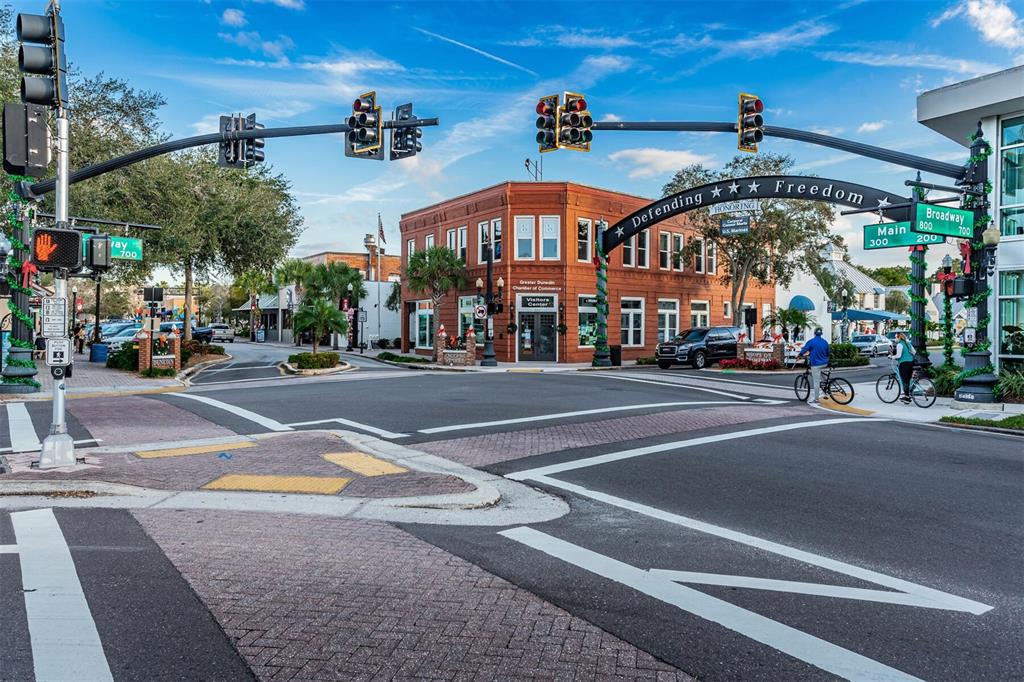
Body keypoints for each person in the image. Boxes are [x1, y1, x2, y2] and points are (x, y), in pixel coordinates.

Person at [797, 327, 830, 402]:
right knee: (823, 377)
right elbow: (828, 353)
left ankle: (816, 399)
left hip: (816, 364)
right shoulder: (825, 342)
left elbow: (805, 349)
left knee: (816, 382)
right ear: (821, 334)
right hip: (825, 363)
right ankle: (826, 391)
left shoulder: (811, 342)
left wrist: (799, 355)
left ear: (814, 333)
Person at [892, 331, 915, 404]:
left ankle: (907, 398)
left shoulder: (899, 344)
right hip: (911, 362)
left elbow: (898, 356)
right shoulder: (908, 343)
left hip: (904, 364)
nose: (895, 339)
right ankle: (908, 394)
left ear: (898, 337)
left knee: (905, 380)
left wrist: (892, 357)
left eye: (895, 337)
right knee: (908, 379)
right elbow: (914, 352)